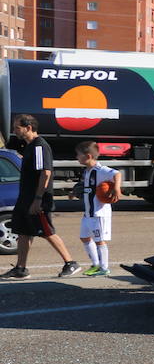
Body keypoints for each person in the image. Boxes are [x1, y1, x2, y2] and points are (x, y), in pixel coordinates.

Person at [2, 114, 81, 279]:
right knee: (23, 231)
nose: (14, 130)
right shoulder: (30, 146)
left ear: (28, 128)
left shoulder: (39, 146)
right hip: (25, 198)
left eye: (17, 127)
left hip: (37, 200)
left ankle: (70, 263)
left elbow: (45, 173)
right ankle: (21, 268)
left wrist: (38, 199)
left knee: (46, 231)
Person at [75, 141, 122, 276]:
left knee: (99, 240)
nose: (77, 157)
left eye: (78, 155)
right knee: (84, 237)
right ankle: (95, 265)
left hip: (99, 213)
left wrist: (117, 187)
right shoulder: (87, 171)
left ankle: (104, 268)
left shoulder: (100, 170)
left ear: (88, 156)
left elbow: (117, 174)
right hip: (88, 213)